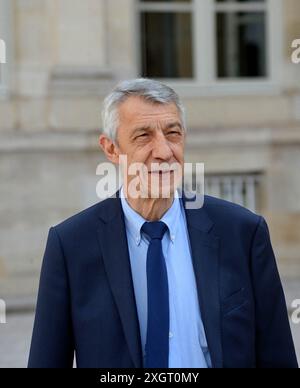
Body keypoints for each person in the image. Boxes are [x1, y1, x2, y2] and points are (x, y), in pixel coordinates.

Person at [28, 79, 298, 368]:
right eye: (143, 136)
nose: (164, 151)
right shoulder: (70, 246)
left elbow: (278, 357)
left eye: (173, 134)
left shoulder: (242, 233)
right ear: (111, 149)